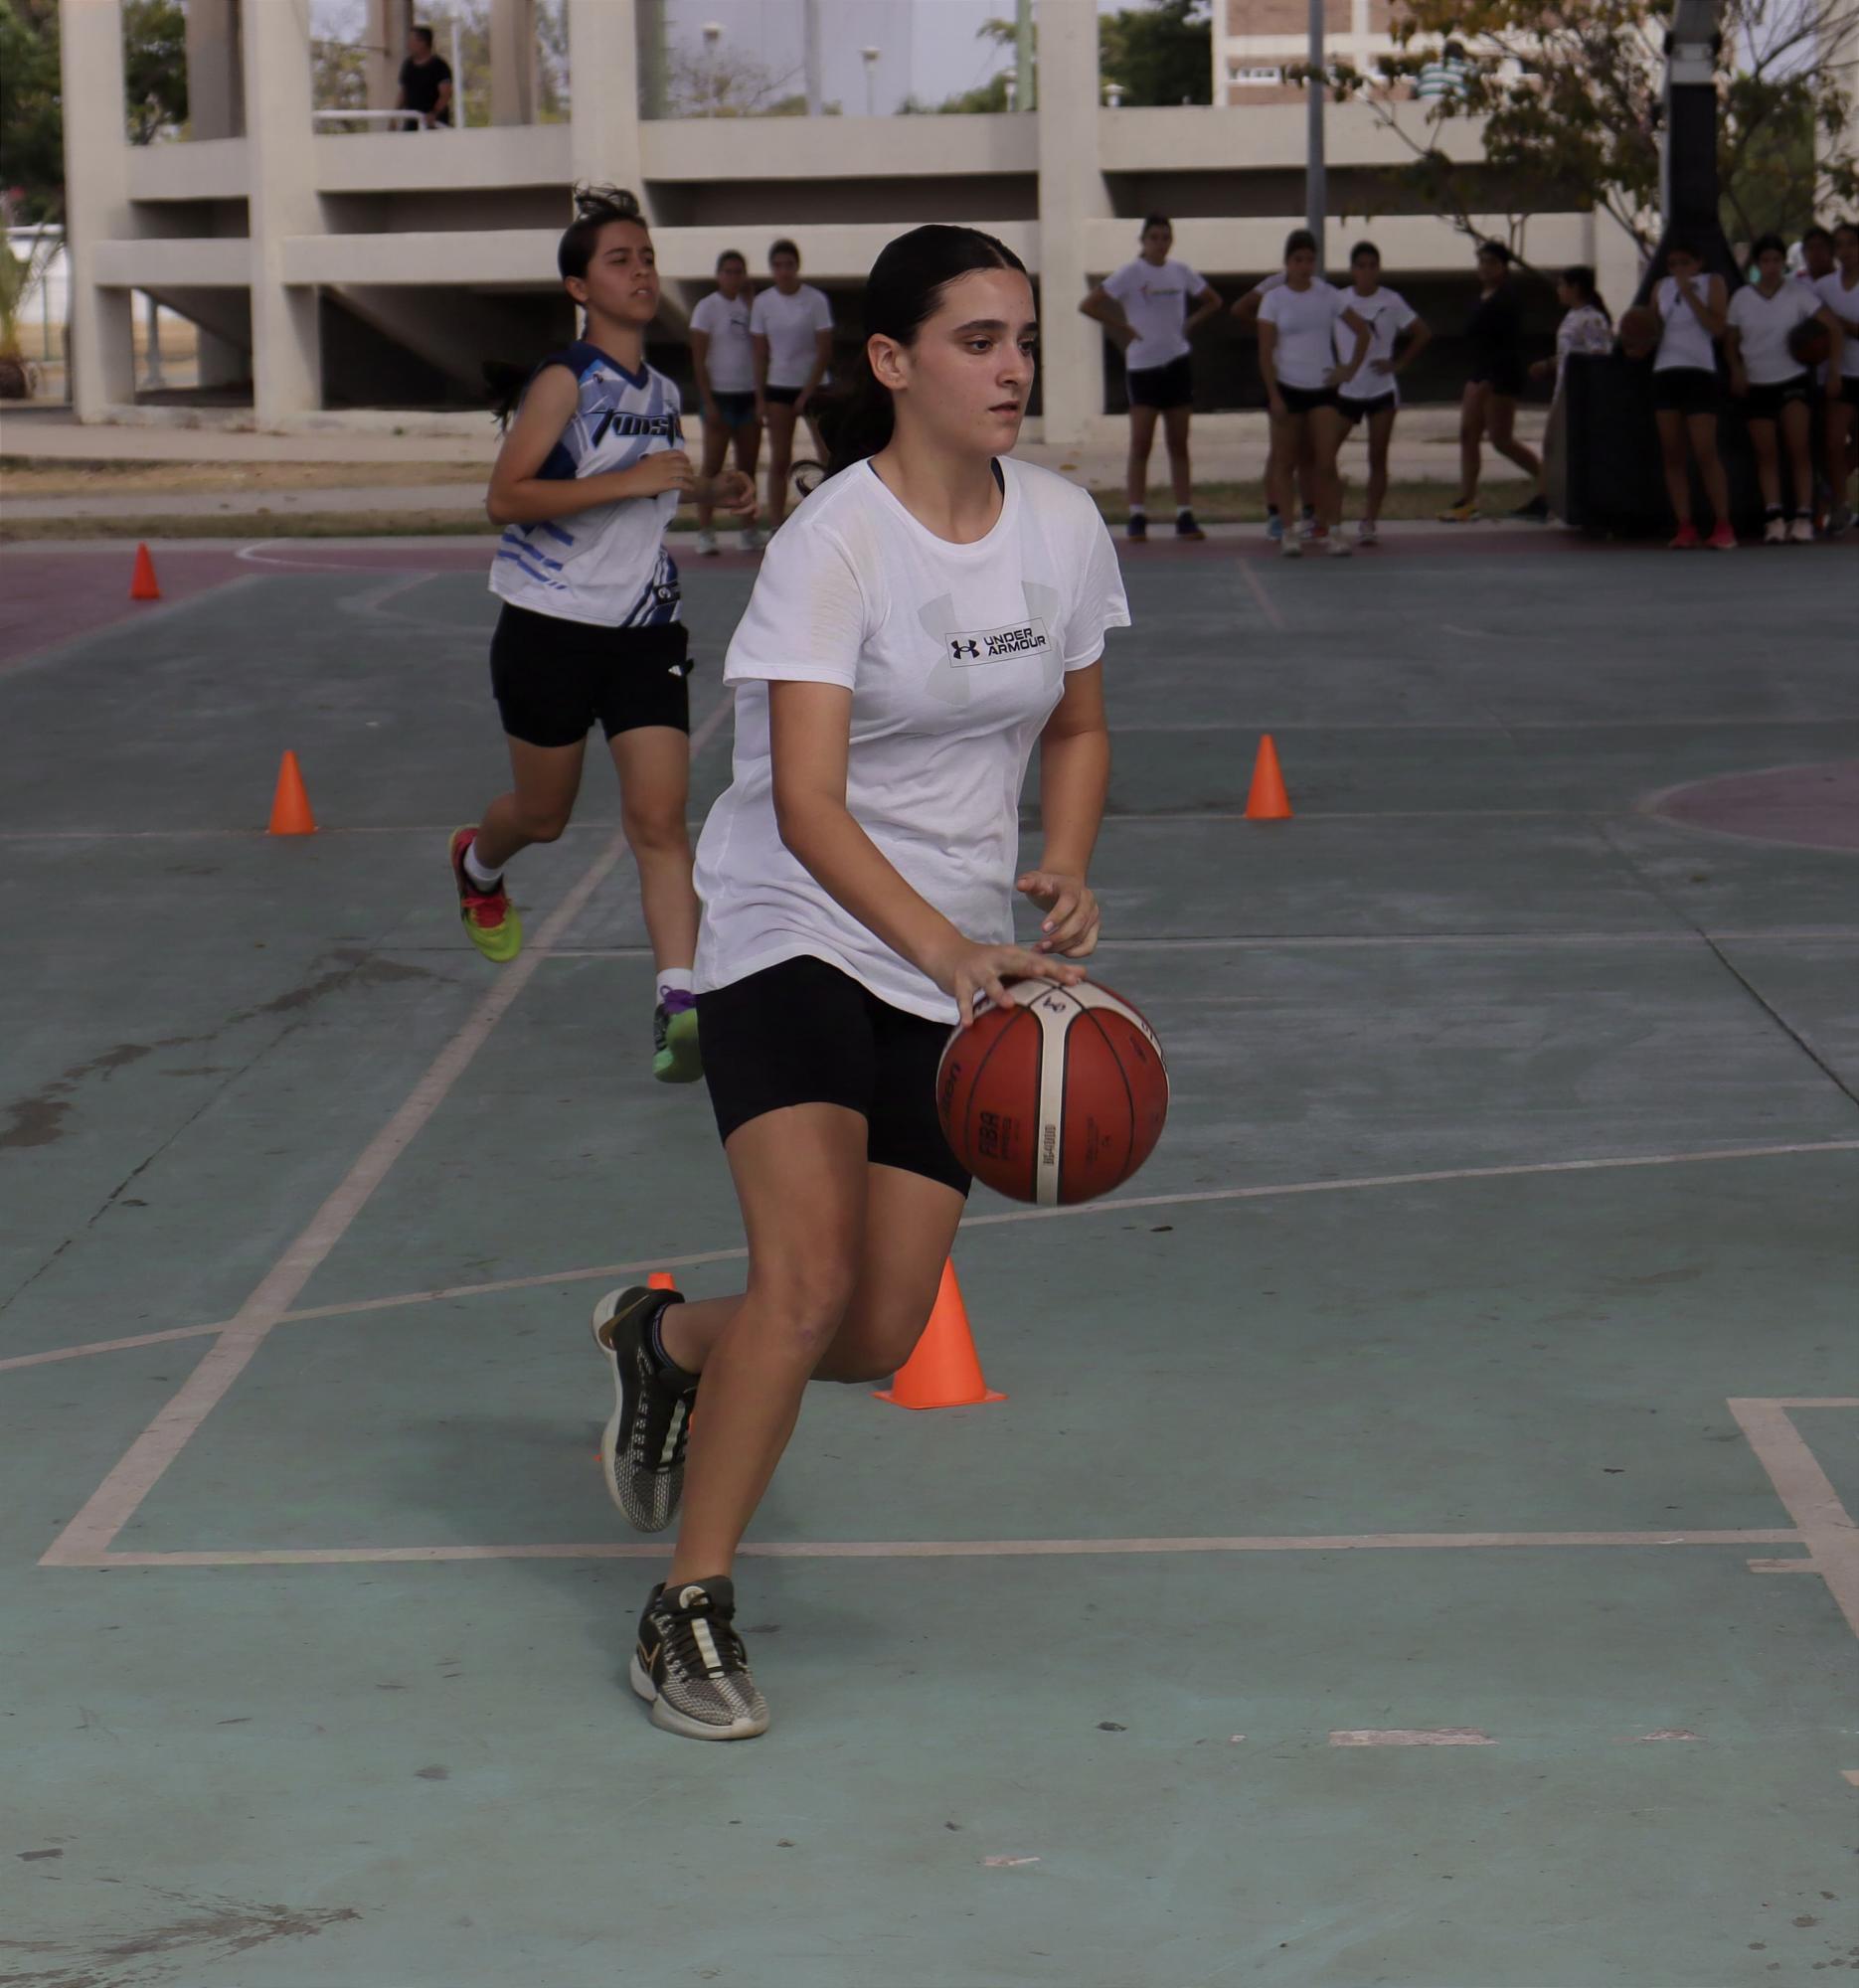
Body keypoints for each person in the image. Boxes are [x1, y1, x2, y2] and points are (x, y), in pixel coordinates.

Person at [589, 223, 1128, 1741]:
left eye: (1022, 337)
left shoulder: (1062, 528)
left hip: (957, 948)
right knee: (810, 1273)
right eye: (976, 339)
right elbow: (809, 803)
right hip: (793, 925)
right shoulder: (833, 541)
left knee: (877, 1331)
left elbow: (1076, 730)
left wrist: (1063, 865)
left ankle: (664, 1340)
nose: (1012, 366)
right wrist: (948, 949)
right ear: (892, 362)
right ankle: (687, 1604)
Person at [452, 185, 755, 1089]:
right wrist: (633, 482)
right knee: (540, 817)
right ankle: (476, 860)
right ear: (579, 287)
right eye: (620, 259)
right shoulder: (564, 382)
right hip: (547, 627)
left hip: (641, 629)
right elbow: (507, 499)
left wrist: (704, 493)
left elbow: (642, 489)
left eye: (647, 256)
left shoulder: (660, 389)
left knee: (660, 820)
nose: (641, 271)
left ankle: (679, 1002)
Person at [1080, 216, 1223, 540]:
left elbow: (1213, 301)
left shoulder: (1180, 271)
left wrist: (1189, 324)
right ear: (1143, 240)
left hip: (1176, 364)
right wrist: (1122, 327)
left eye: (1165, 237)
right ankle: (1137, 514)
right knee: (1141, 442)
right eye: (1154, 237)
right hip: (1143, 367)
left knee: (1178, 442)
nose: (1160, 242)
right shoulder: (1131, 274)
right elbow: (1090, 304)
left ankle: (1185, 514)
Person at [1257, 229, 1371, 558]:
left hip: (1322, 390)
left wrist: (1347, 370)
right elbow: (1265, 352)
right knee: (1284, 462)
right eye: (1298, 260)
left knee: (1326, 462)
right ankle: (1288, 530)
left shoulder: (1329, 295)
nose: (1304, 266)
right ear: (1287, 262)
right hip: (1287, 389)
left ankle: (1333, 530)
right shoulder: (1274, 299)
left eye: (1309, 259)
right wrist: (1274, 395)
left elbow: (1362, 331)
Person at [1727, 234, 1844, 544]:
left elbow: (1832, 326)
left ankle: (1804, 516)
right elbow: (1730, 340)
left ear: (1783, 262)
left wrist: (1832, 368)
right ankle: (1774, 517)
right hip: (1757, 380)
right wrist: (1736, 369)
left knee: (1799, 449)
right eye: (1765, 261)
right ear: (1757, 263)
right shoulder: (1741, 298)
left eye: (1776, 260)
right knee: (1766, 454)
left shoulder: (1798, 294)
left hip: (1792, 379)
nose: (1771, 266)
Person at [1438, 242, 1547, 523]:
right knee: (1467, 435)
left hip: (1500, 375)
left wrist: (1491, 380)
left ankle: (1549, 485)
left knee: (1501, 439)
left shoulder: (1507, 298)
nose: (1484, 267)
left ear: (1503, 266)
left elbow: (1507, 344)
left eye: (1491, 262)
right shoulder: (1483, 296)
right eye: (1481, 261)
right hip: (1479, 371)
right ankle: (1467, 501)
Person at [1333, 240, 1430, 547]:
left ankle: (1369, 521)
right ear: (1352, 270)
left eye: (1372, 266)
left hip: (1381, 390)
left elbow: (1422, 333)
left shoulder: (1392, 301)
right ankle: (1324, 514)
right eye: (1360, 266)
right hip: (1347, 389)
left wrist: (1397, 364)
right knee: (1323, 455)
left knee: (1377, 456)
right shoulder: (1338, 300)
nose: (1366, 271)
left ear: (1379, 269)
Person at [1648, 239, 1735, 549]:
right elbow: (1652, 329)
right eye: (1673, 264)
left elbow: (1717, 327)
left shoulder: (1712, 282)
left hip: (1699, 370)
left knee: (1704, 449)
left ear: (1698, 263)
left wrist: (1688, 293)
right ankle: (1685, 525)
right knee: (1673, 452)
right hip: (1666, 371)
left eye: (1685, 262)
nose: (1679, 270)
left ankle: (1723, 524)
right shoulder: (1660, 287)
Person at [752, 239, 834, 531]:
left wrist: (808, 392)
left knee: (827, 456)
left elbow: (824, 349)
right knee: (780, 457)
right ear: (772, 269)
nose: (784, 271)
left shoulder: (815, 300)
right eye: (778, 266)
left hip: (814, 387)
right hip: (779, 386)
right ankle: (776, 524)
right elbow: (760, 354)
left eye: (789, 265)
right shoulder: (763, 303)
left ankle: (831, 518)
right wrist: (760, 397)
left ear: (797, 267)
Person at [690, 249, 764, 557]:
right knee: (712, 467)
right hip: (719, 396)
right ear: (719, 275)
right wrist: (708, 400)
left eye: (739, 272)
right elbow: (698, 359)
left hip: (748, 395)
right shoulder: (706, 308)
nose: (734, 277)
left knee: (747, 466)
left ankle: (748, 530)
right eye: (729, 272)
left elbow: (762, 353)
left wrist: (761, 398)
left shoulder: (754, 308)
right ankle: (706, 531)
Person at [1233, 270, 1314, 541]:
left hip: (1310, 378)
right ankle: (1275, 513)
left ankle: (1309, 513)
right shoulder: (1275, 286)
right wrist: (1266, 328)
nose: (1304, 264)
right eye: (1298, 258)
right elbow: (1240, 308)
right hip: (1280, 379)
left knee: (1307, 450)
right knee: (1281, 452)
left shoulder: (1320, 289)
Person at [1815, 221, 1859, 534]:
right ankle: (1840, 505)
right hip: (1839, 373)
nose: (1845, 251)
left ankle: (1832, 495)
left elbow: (1839, 326)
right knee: (1833, 442)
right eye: (1839, 245)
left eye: (1851, 244)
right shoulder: (1824, 287)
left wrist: (1840, 325)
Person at [396, 24, 453, 129]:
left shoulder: (439, 66)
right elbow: (403, 93)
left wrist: (434, 113)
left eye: (411, 41)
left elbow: (446, 94)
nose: (408, 45)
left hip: (434, 124)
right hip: (412, 123)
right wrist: (394, 117)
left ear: (423, 43)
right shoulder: (408, 65)